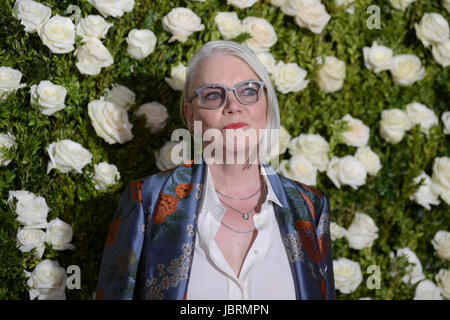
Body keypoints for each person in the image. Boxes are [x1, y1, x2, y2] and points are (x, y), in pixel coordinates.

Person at [95, 40, 335, 300]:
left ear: (266, 102)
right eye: (212, 95)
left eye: (249, 90)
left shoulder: (310, 207)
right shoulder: (148, 200)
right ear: (190, 115)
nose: (233, 105)